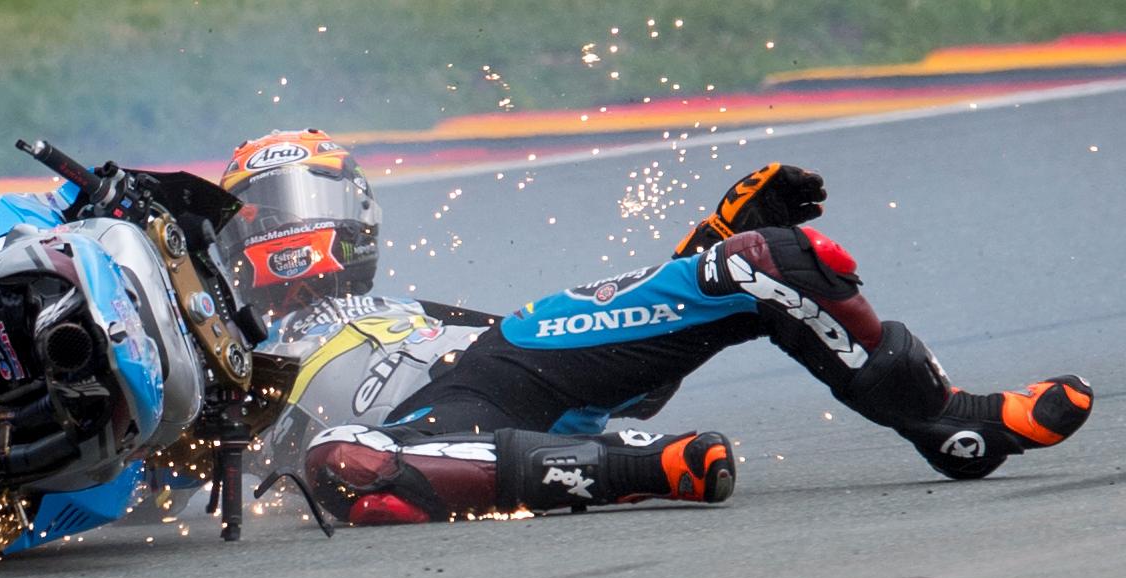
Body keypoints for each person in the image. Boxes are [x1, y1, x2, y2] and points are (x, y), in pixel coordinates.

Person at [217, 130, 1093, 525]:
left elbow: (607, 352)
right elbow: (143, 475)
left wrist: (703, 246)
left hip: (499, 378)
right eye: (264, 210)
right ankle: (645, 470)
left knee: (767, 258)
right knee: (344, 463)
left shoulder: (405, 312)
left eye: (312, 200)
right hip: (411, 443)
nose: (287, 225)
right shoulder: (221, 350)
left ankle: (949, 420)